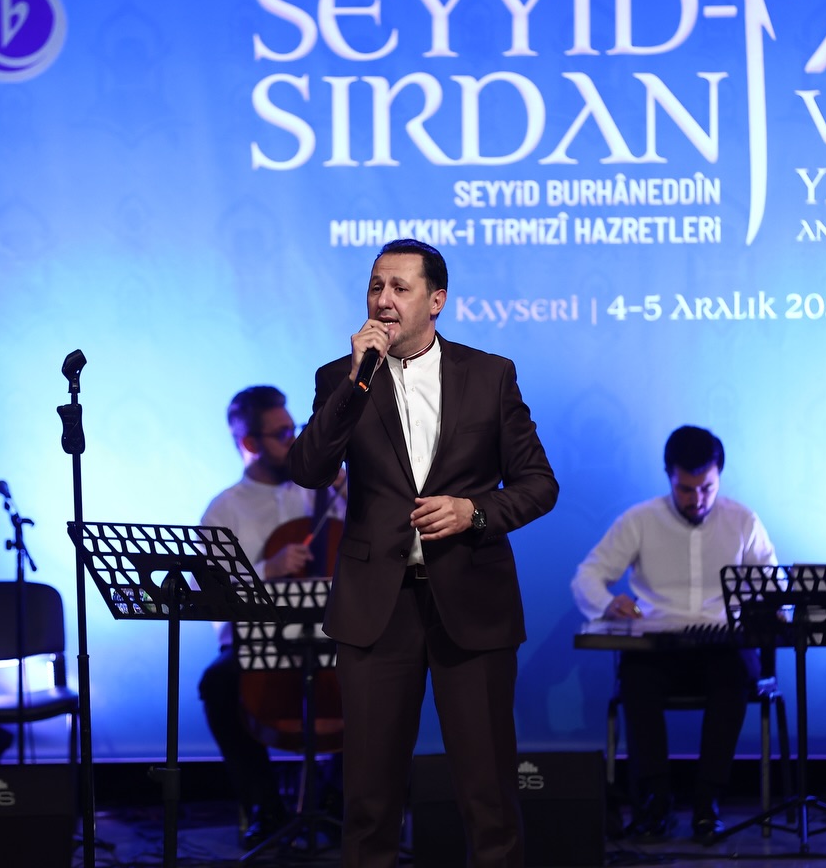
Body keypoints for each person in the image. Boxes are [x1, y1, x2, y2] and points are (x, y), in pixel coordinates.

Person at [287, 239, 558, 868]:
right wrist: (355, 384)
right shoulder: (339, 377)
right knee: (370, 797)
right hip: (376, 608)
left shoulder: (489, 375)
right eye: (375, 286)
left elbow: (539, 484)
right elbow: (308, 470)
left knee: (488, 793)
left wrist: (474, 511)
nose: (383, 300)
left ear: (436, 301)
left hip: (472, 599)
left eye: (399, 288)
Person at [572, 425, 778, 841]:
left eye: (707, 488)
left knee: (735, 675)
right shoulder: (640, 520)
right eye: (685, 489)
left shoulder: (743, 520)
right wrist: (608, 603)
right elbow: (587, 576)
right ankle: (656, 802)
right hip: (658, 645)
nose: (697, 499)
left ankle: (708, 803)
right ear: (669, 476)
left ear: (719, 477)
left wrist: (766, 607)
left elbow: (773, 584)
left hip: (722, 643)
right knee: (636, 677)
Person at [197, 385, 344, 846]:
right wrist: (267, 569)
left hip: (332, 633)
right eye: (281, 434)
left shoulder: (325, 494)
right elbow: (215, 595)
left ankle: (341, 798)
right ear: (250, 443)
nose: (293, 440)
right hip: (257, 641)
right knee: (218, 683)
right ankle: (264, 807)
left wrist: (350, 491)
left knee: (386, 671)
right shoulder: (224, 510)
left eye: (293, 428)